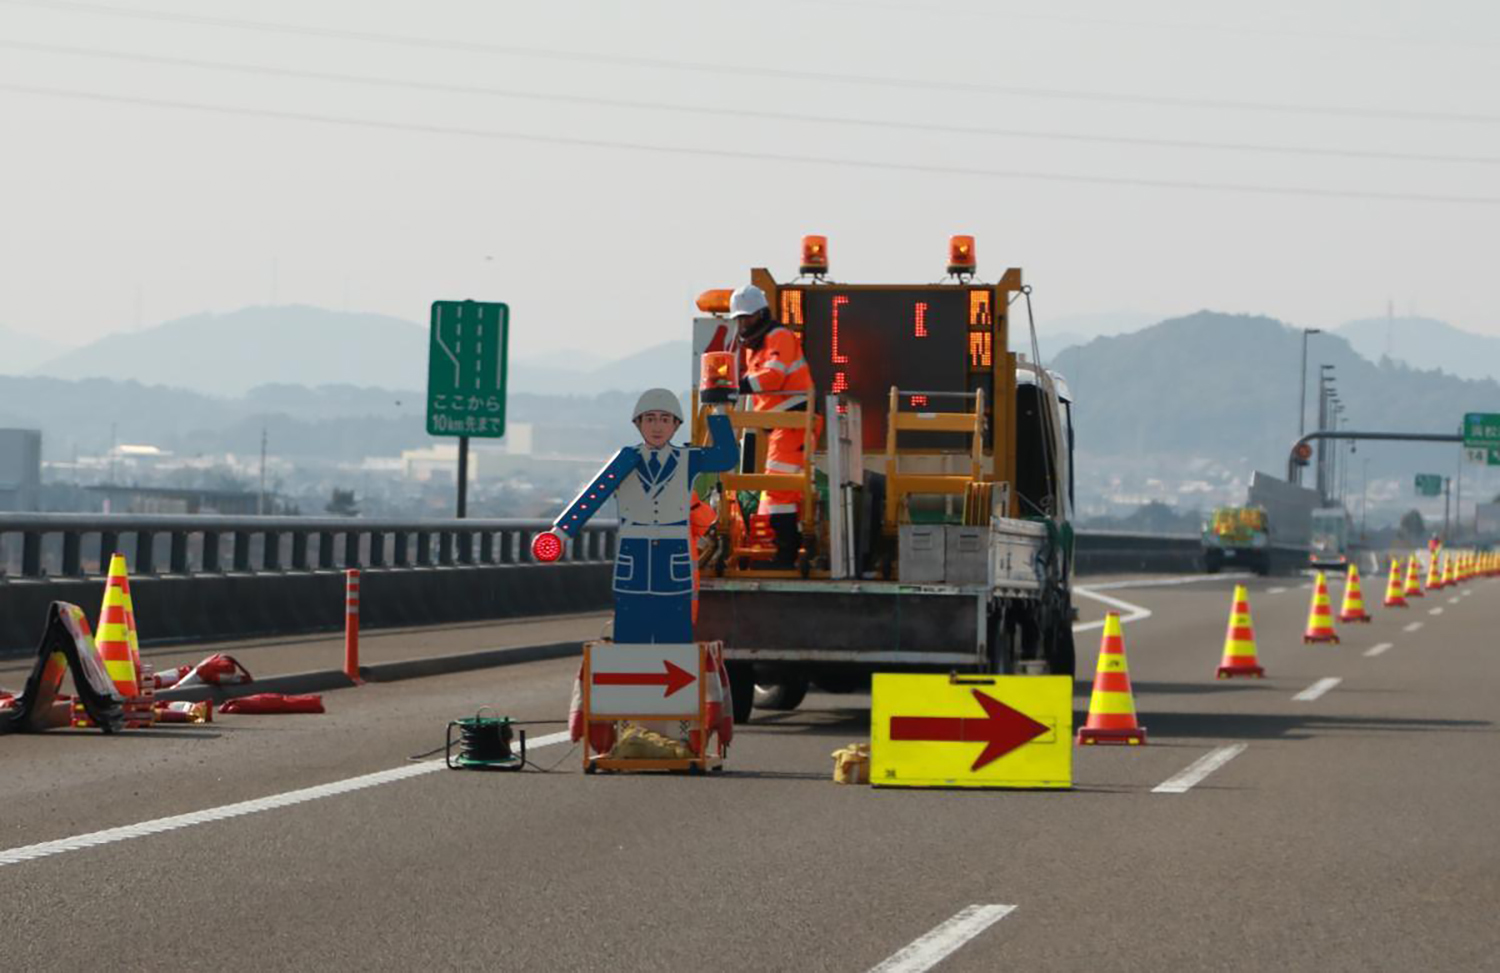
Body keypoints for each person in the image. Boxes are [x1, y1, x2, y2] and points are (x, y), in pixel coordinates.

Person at [545, 388, 736, 644]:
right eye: (650, 419)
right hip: (634, 559)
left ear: (676, 425)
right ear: (638, 424)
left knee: (674, 636)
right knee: (631, 635)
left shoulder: (687, 459)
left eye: (665, 419)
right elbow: (593, 495)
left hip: (672, 558)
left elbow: (726, 457)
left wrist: (718, 407)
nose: (657, 426)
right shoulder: (626, 459)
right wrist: (560, 533)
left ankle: (671, 679)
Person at [730, 283, 815, 567]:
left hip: (793, 421)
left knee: (779, 488)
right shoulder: (758, 346)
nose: (743, 324)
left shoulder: (779, 337)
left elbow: (773, 378)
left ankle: (786, 555)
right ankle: (789, 549)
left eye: (748, 317)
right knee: (783, 490)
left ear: (761, 314)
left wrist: (736, 385)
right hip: (783, 425)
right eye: (740, 319)